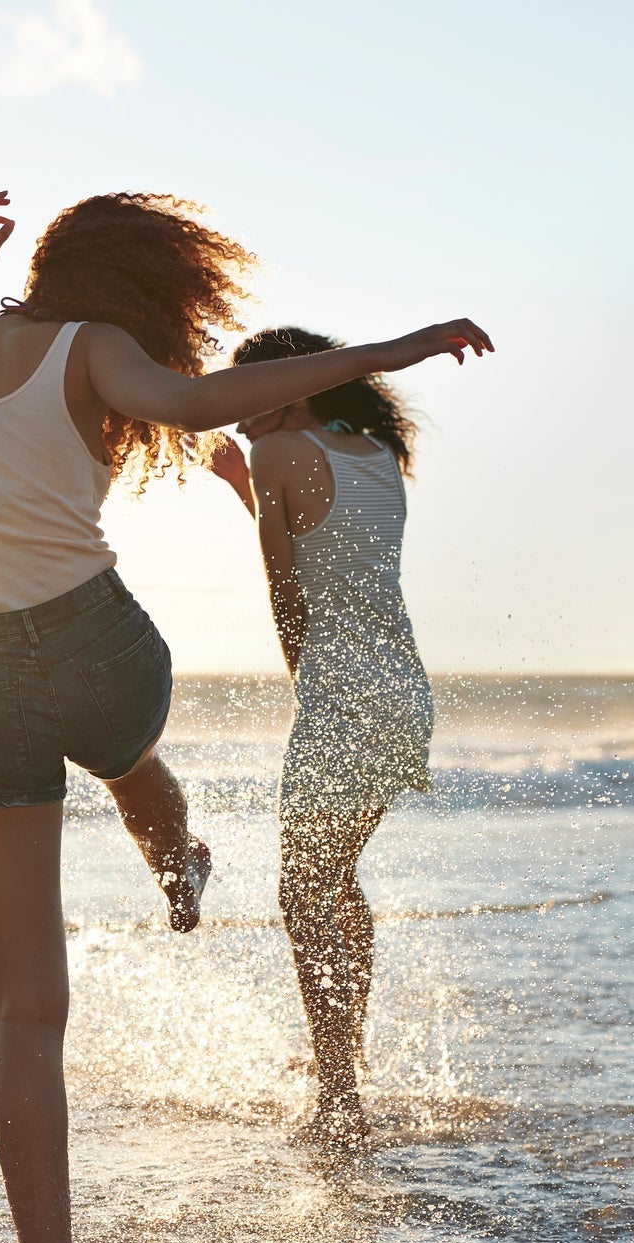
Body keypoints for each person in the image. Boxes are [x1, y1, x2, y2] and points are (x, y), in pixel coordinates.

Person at [0, 191, 493, 1243]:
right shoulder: (96, 350)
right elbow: (200, 406)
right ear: (143, 288)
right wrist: (403, 347)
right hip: (101, 650)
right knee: (129, 755)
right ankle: (174, 845)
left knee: (24, 1019)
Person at [207, 326, 460, 1151]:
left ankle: (340, 1094)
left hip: (343, 695)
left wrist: (305, 691)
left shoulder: (276, 459)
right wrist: (241, 489)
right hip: (401, 690)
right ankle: (342, 1064)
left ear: (295, 388)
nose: (235, 413)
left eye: (247, 396)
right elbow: (330, 550)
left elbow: (288, 591)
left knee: (301, 892)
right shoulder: (375, 454)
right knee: (333, 879)